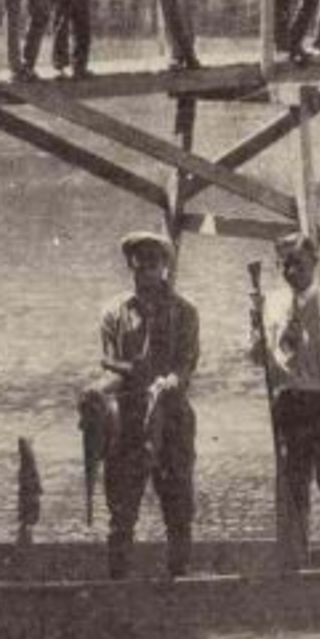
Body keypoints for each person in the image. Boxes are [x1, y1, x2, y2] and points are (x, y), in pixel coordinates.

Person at [81, 231, 200, 579]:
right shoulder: (113, 313)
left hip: (173, 416)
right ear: (130, 264)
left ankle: (179, 580)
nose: (146, 268)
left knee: (178, 509)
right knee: (121, 513)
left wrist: (169, 383)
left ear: (164, 266)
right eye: (139, 261)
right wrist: (96, 392)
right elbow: (110, 365)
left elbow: (187, 364)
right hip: (127, 421)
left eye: (154, 261)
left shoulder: (185, 311)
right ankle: (119, 587)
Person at [249, 230, 320, 567]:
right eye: (284, 265)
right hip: (288, 406)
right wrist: (259, 330)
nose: (291, 272)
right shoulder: (269, 304)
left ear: (315, 260)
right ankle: (294, 565)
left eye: (298, 263)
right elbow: (258, 359)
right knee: (292, 487)